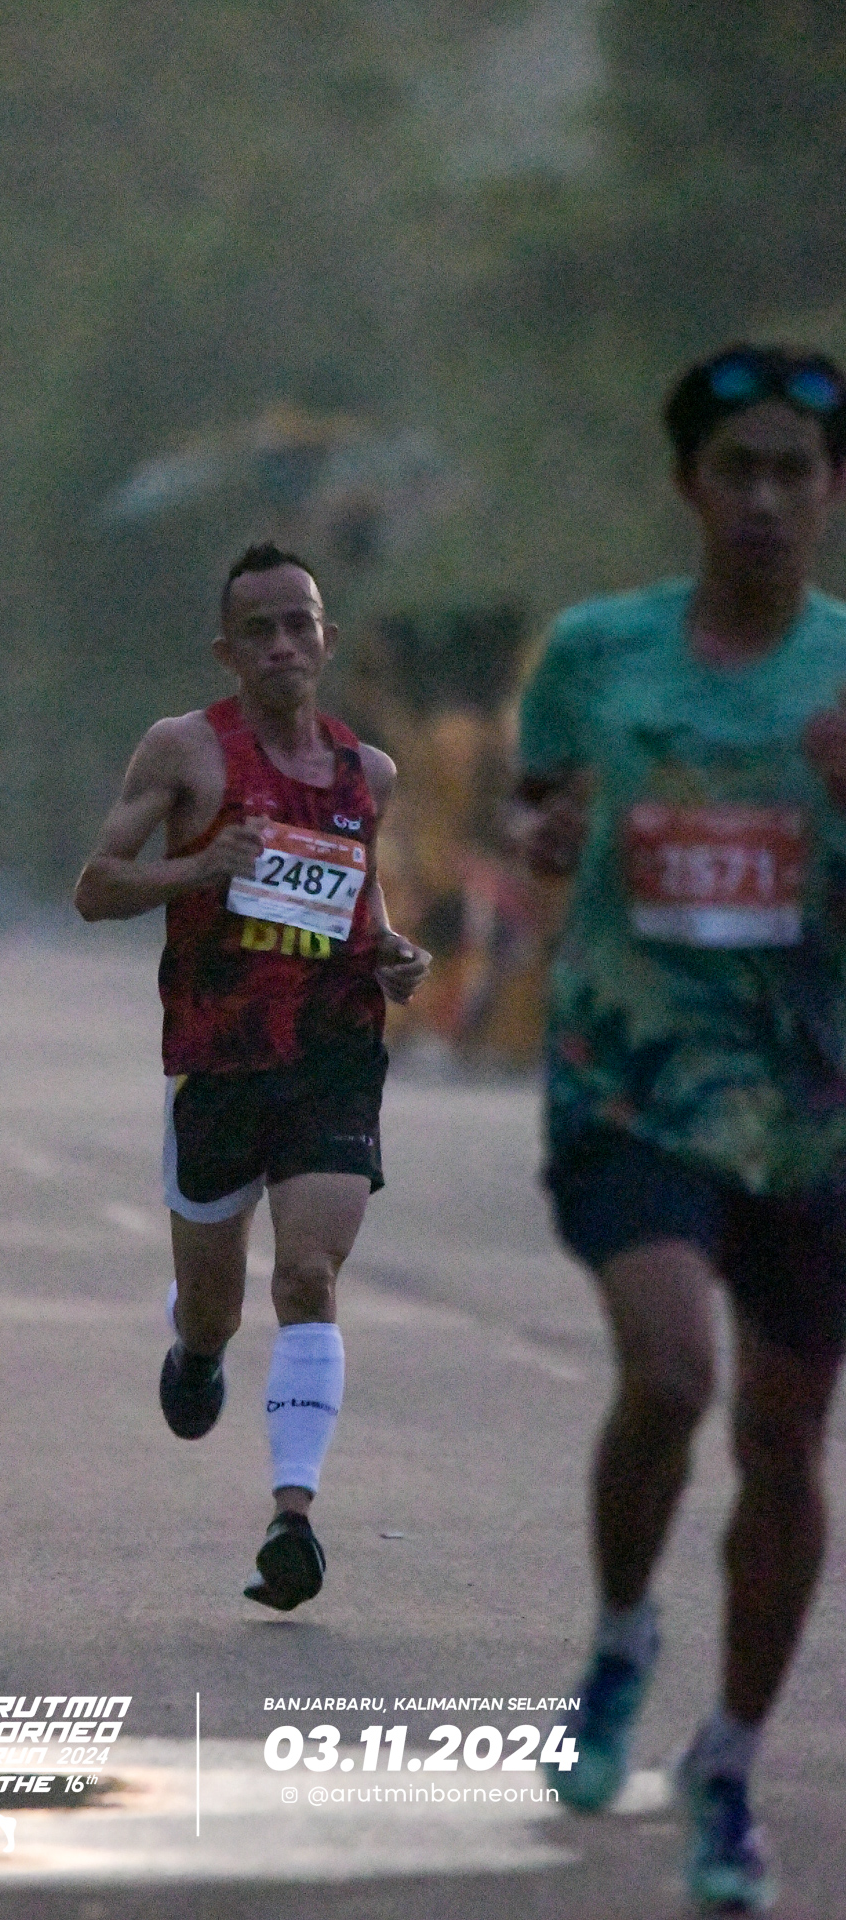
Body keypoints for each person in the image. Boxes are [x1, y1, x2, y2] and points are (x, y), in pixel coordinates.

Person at [514, 345, 846, 1912]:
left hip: (811, 1109)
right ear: (689, 487)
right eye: (739, 470)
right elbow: (536, 810)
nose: (766, 498)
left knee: (782, 1439)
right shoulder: (597, 653)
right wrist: (548, 831)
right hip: (632, 1077)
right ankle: (620, 1637)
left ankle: (728, 1762)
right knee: (670, 1375)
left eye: (796, 472)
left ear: (831, 493)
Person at [75, 542, 428, 1609]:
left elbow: (356, 907)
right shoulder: (185, 751)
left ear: (326, 640)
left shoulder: (367, 775)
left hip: (331, 1055)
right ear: (227, 652)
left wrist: (390, 953)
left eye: (298, 624)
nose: (282, 643)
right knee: (216, 1307)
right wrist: (199, 866)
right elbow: (96, 886)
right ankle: (196, 1347)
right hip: (218, 1063)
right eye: (258, 629)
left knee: (308, 1276)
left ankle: (293, 1521)